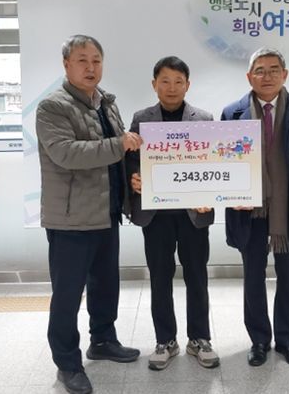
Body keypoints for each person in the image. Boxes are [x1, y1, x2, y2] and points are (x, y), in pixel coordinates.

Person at [36, 35, 143, 394]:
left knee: (105, 284)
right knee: (68, 295)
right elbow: (66, 153)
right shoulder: (52, 107)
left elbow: (119, 156)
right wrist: (119, 144)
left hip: (106, 212)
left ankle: (103, 340)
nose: (90, 67)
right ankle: (67, 363)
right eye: (82, 60)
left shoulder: (107, 103)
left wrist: (135, 180)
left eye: (96, 60)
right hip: (70, 219)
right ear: (66, 65)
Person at [220, 47, 289, 370]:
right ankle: (258, 340)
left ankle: (288, 341)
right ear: (249, 76)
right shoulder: (232, 113)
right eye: (259, 70)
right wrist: (226, 197)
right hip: (248, 210)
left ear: (285, 74)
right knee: (253, 278)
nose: (266, 76)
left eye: (273, 69)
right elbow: (222, 164)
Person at [126, 56, 220, 371]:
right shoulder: (141, 118)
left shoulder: (203, 119)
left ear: (187, 85)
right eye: (165, 81)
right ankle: (165, 340)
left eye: (179, 81)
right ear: (154, 84)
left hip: (194, 213)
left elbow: (214, 163)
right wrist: (134, 177)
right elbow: (131, 159)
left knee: (197, 276)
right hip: (156, 215)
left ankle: (199, 338)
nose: (172, 88)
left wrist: (211, 194)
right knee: (159, 277)